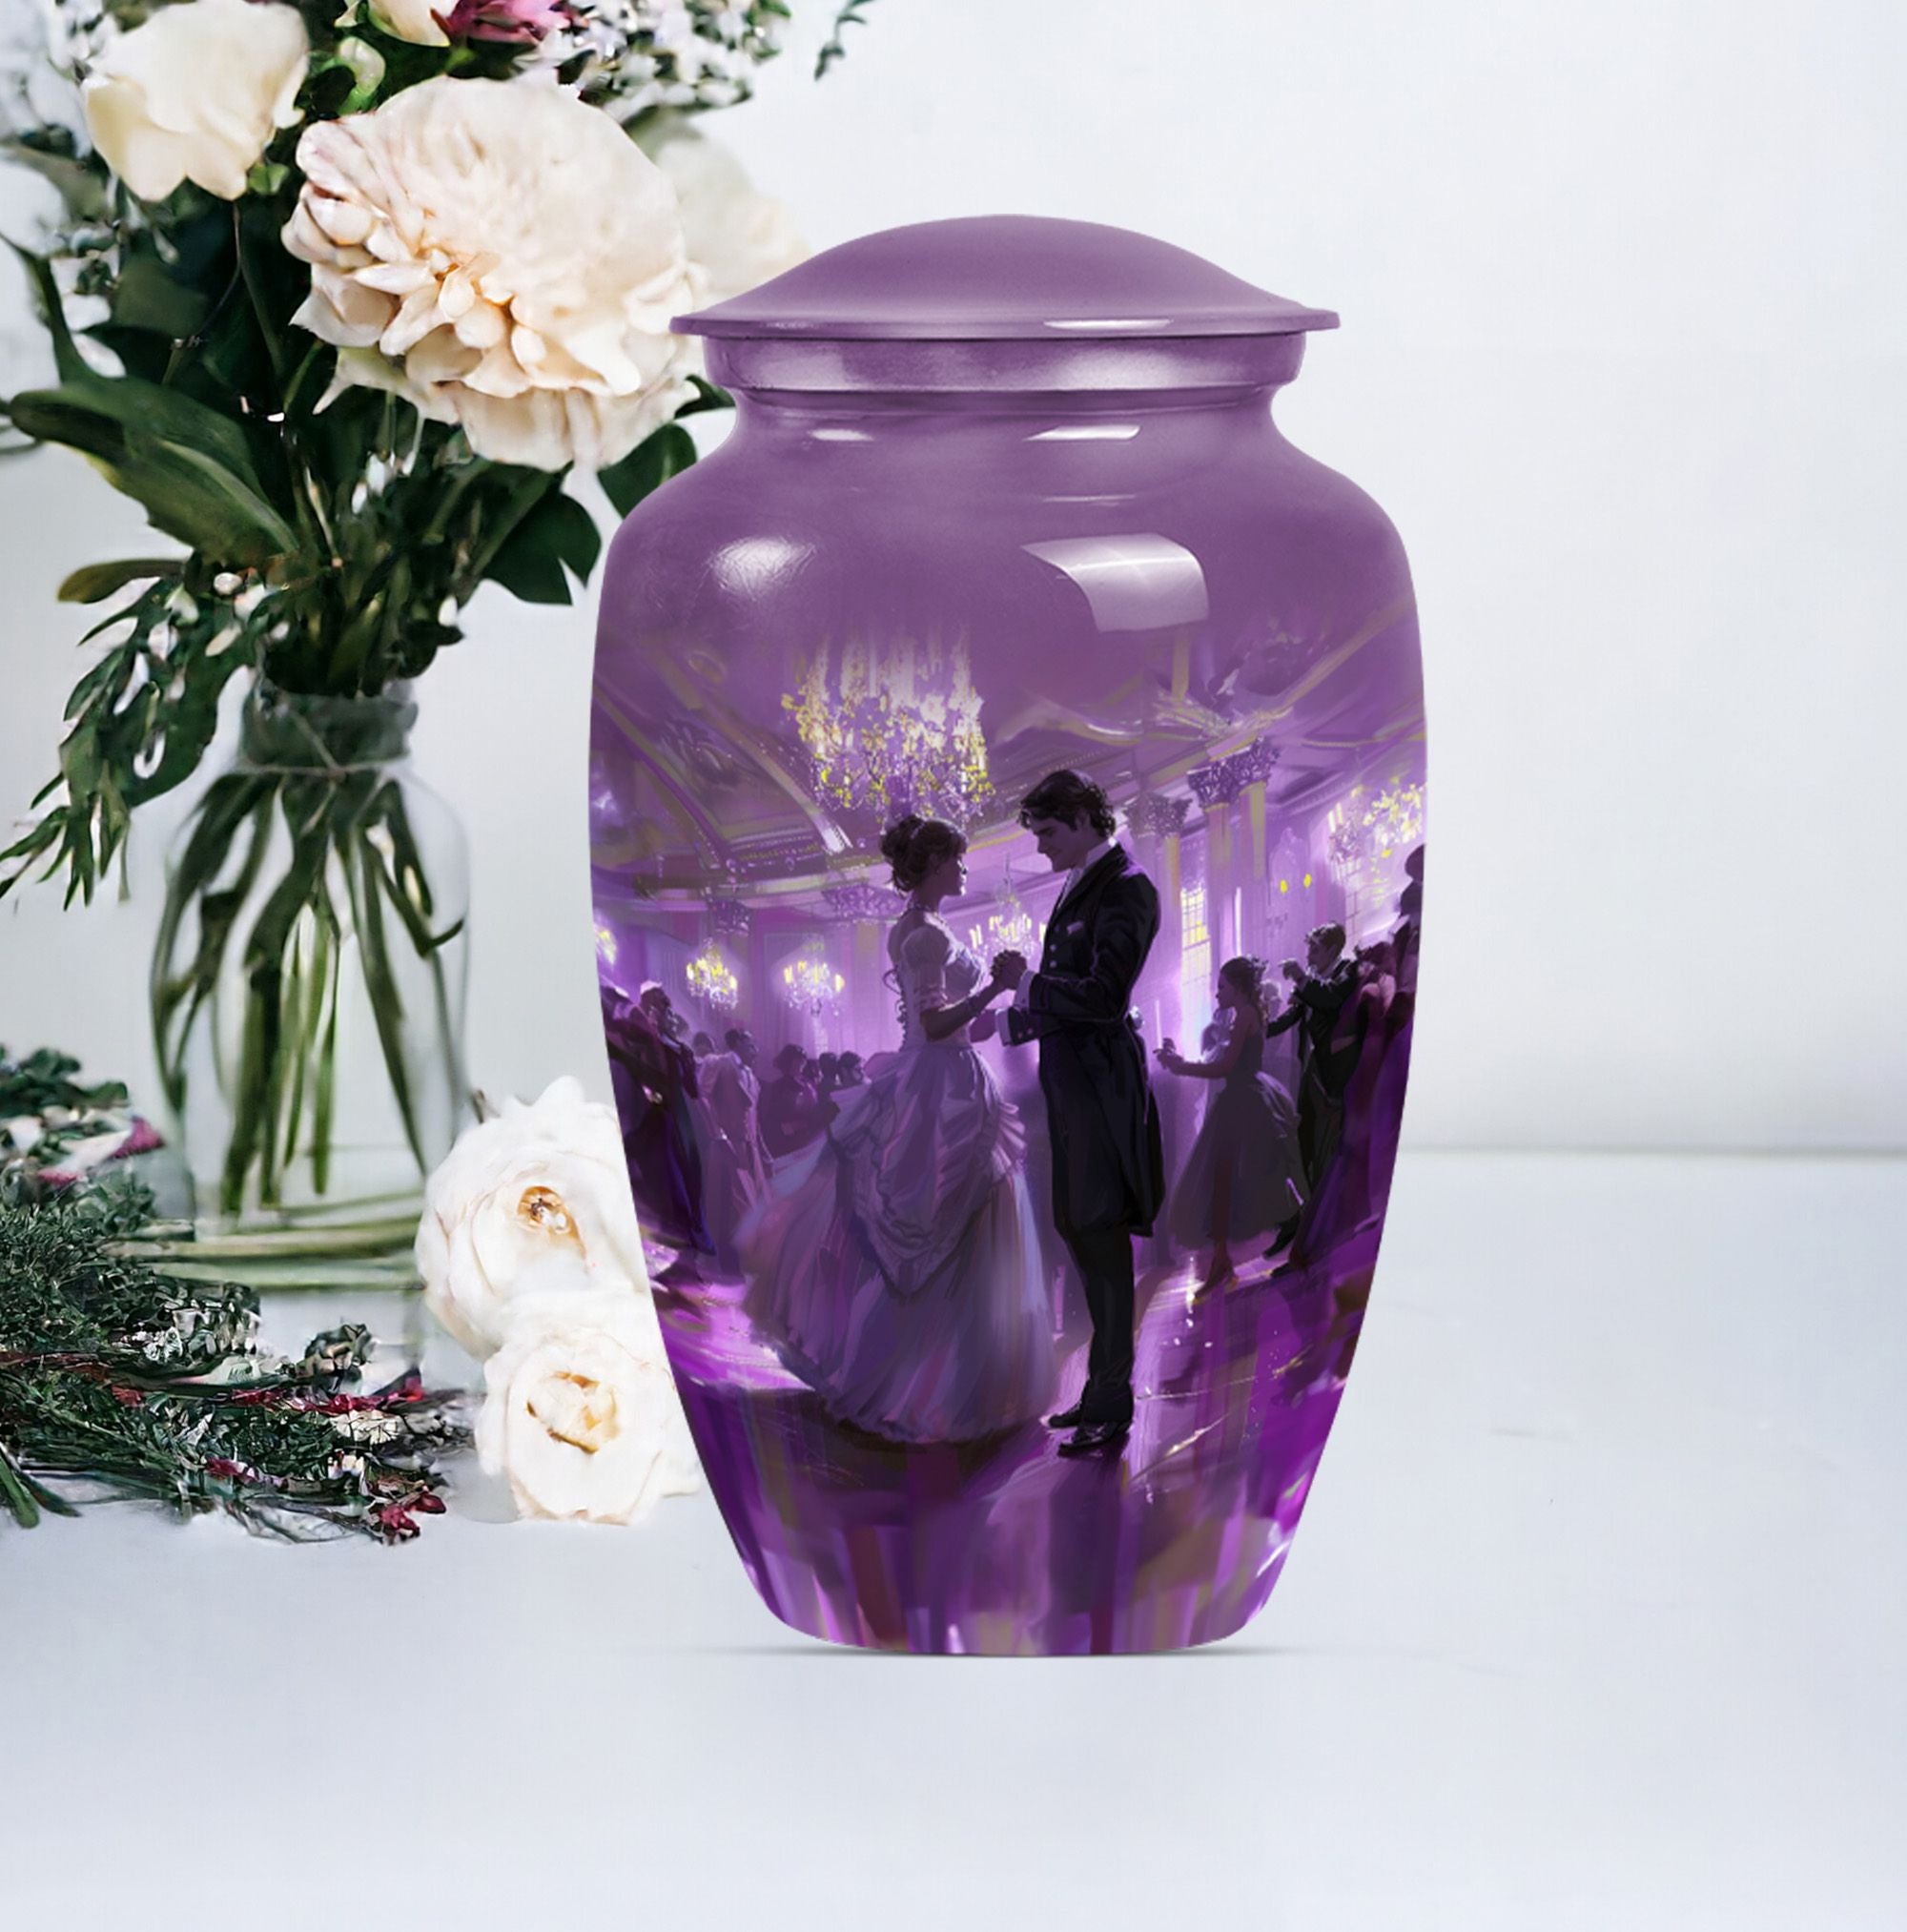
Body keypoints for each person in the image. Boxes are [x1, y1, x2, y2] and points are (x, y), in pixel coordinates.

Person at [737, 814, 1054, 1443]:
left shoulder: (925, 927)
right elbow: (934, 1027)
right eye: (957, 860)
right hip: (939, 1087)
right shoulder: (923, 934)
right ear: (934, 863)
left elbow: (953, 1025)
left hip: (949, 1078)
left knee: (961, 1230)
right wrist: (995, 985)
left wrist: (1010, 1006)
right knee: (941, 1229)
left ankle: (953, 1378)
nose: (963, 869)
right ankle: (925, 1386)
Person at [997, 769, 1164, 1458]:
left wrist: (1027, 985)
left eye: (1047, 832)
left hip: (1099, 1090)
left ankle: (1112, 1405)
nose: (1040, 846)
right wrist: (1012, 1022)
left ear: (1083, 819)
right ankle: (1099, 1391)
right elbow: (1073, 998)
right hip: (1071, 1090)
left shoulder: (1127, 886)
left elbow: (1102, 996)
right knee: (1083, 1235)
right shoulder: (1081, 882)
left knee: (1101, 1240)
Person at [1157, 956, 1304, 1288]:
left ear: (1237, 988)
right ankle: (1222, 1260)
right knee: (1227, 1181)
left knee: (1238, 1180)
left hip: (1243, 1104)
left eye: (1221, 987)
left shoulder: (1246, 1015)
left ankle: (1287, 1235)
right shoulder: (1247, 1012)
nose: (1217, 993)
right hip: (1243, 1100)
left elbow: (1224, 1067)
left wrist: (1180, 1066)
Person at [1265, 922, 1361, 1188]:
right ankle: (1308, 1193)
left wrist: (1300, 978)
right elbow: (1291, 1016)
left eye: (1315, 950)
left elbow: (1330, 997)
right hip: (1313, 1064)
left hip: (1337, 1069)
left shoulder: (1349, 970)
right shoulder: (1312, 977)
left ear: (1333, 949)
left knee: (1332, 1136)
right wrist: (1260, 1029)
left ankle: (1328, 1192)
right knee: (1305, 1128)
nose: (1309, 957)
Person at [757, 1044, 825, 1166]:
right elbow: (775, 1114)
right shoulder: (779, 1087)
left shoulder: (808, 1083)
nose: (801, 1063)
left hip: (810, 1134)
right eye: (797, 1059)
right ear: (788, 1062)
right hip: (790, 1140)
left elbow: (815, 1104)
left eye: (803, 1059)